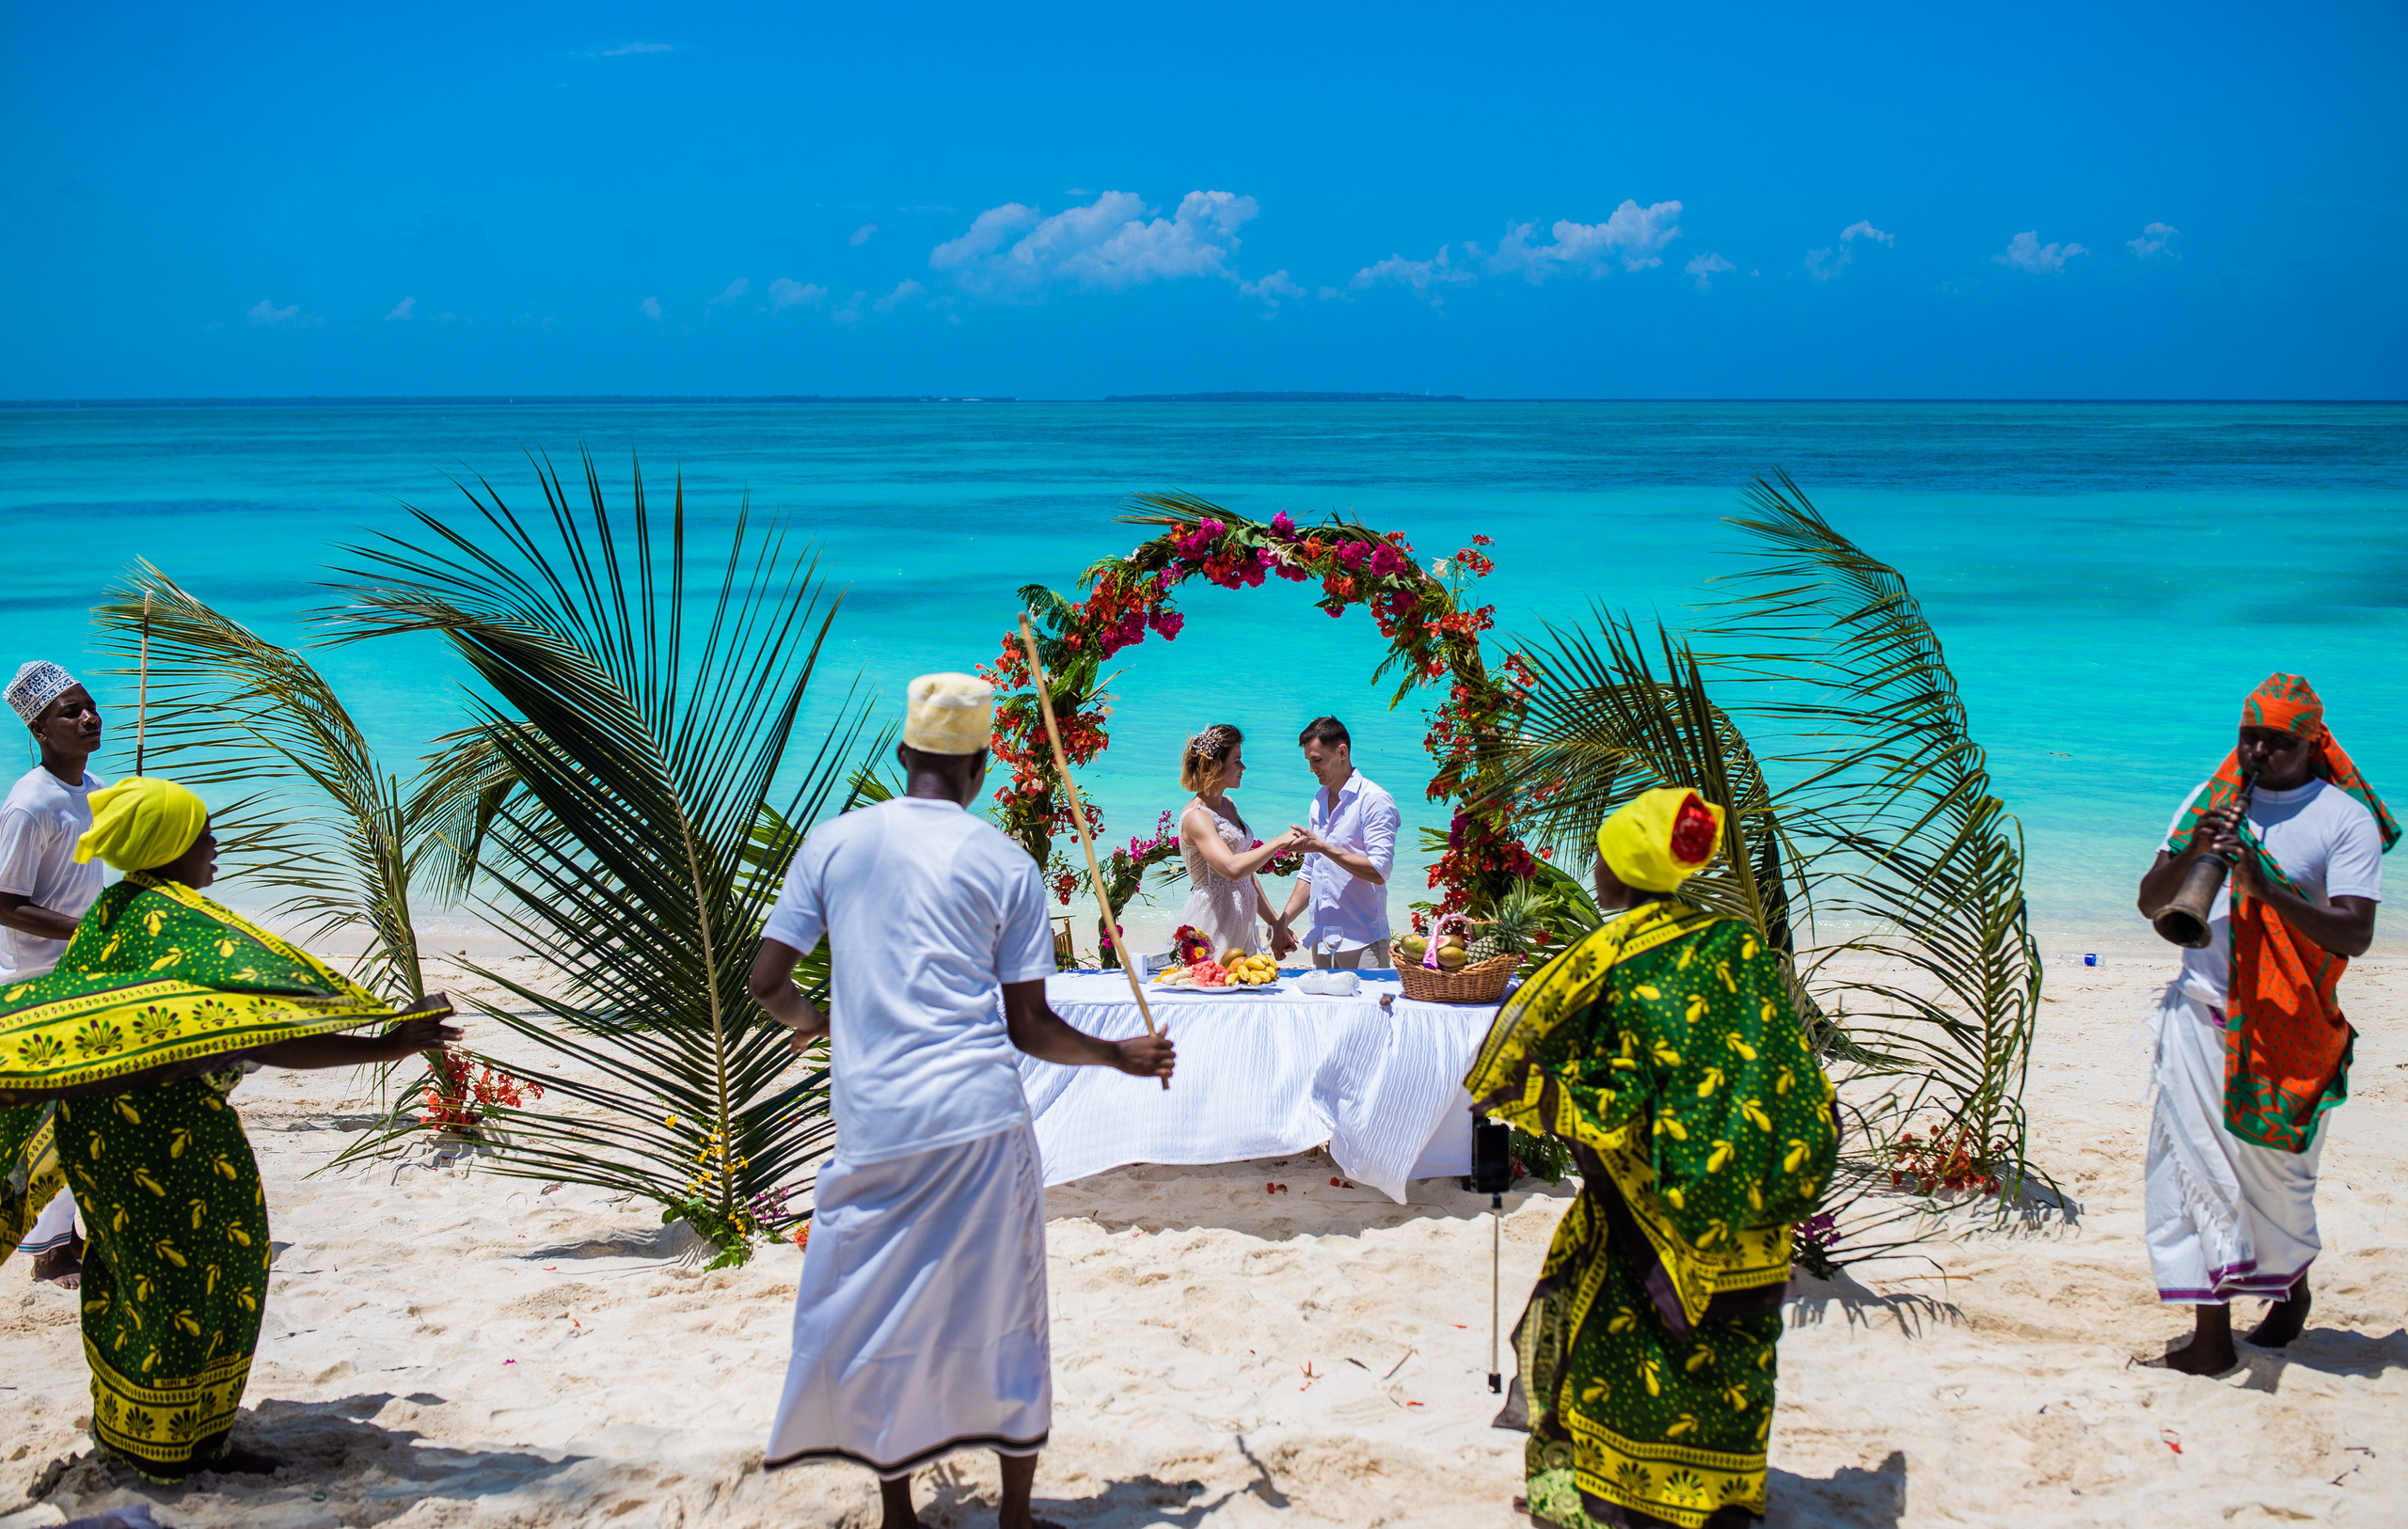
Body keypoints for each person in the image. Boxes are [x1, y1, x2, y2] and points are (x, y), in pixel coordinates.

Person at [748, 672, 1176, 1529]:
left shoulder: (834, 843)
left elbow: (766, 983)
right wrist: (1116, 1056)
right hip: (979, 1121)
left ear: (904, 752)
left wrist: (820, 1020)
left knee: (880, 1310)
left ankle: (898, 1515)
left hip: (876, 1121)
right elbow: (1029, 1027)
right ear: (981, 768)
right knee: (1005, 1310)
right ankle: (1015, 1516)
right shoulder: (1005, 862)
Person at [0, 776, 458, 1481]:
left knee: (137, 1283)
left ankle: (144, 1437)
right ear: (168, 844)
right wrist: (381, 1043)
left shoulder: (110, 914)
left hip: (104, 1137)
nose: (215, 846)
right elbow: (264, 1031)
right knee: (210, 1283)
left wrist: (380, 1043)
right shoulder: (184, 925)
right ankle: (186, 1446)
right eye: (202, 834)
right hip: (171, 1140)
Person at [1466, 787, 1839, 1529]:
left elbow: (1500, 1068)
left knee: (1617, 1352)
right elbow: (1779, 1063)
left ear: (1624, 869)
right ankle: (1719, 1501)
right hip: (1752, 1217)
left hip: (1654, 1217)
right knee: (1731, 1366)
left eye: (1603, 856)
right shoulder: (1735, 943)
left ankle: (1614, 1502)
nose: (1596, 870)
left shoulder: (1606, 955)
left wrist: (1572, 1110)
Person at [2135, 673, 2391, 1376]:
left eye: (2276, 742)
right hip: (2198, 1017)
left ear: (2312, 744)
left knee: (2278, 1184)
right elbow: (2152, 903)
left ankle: (2290, 1291)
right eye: (2249, 737)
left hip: (2289, 1028)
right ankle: (2211, 1340)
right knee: (2192, 1174)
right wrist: (2198, 848)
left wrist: (2268, 890)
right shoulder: (2208, 801)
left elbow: (2356, 933)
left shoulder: (2343, 819)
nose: (2257, 752)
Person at [1, 662, 109, 1285]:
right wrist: (84, 931)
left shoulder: (94, 787)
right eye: (72, 711)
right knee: (51, 1121)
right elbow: (5, 902)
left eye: (91, 706)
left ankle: (68, 1234)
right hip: (32, 981)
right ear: (40, 729)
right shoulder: (29, 803)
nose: (89, 717)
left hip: (81, 974)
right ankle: (49, 1252)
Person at [1169, 724, 1305, 960]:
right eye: (1237, 761)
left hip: (1243, 922)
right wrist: (1278, 842)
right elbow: (1232, 869)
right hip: (1213, 926)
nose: (1243, 767)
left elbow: (1246, 876)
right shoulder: (1197, 817)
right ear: (1216, 765)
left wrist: (1275, 923)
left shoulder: (1228, 805)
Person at [1275, 716, 1399, 969]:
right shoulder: (1318, 802)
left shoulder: (1374, 800)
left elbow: (1379, 871)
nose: (1312, 769)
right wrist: (1282, 922)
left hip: (1363, 941)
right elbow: (1310, 872)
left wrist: (1323, 847)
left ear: (1342, 752)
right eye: (1308, 761)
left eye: (1317, 760)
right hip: (1322, 939)